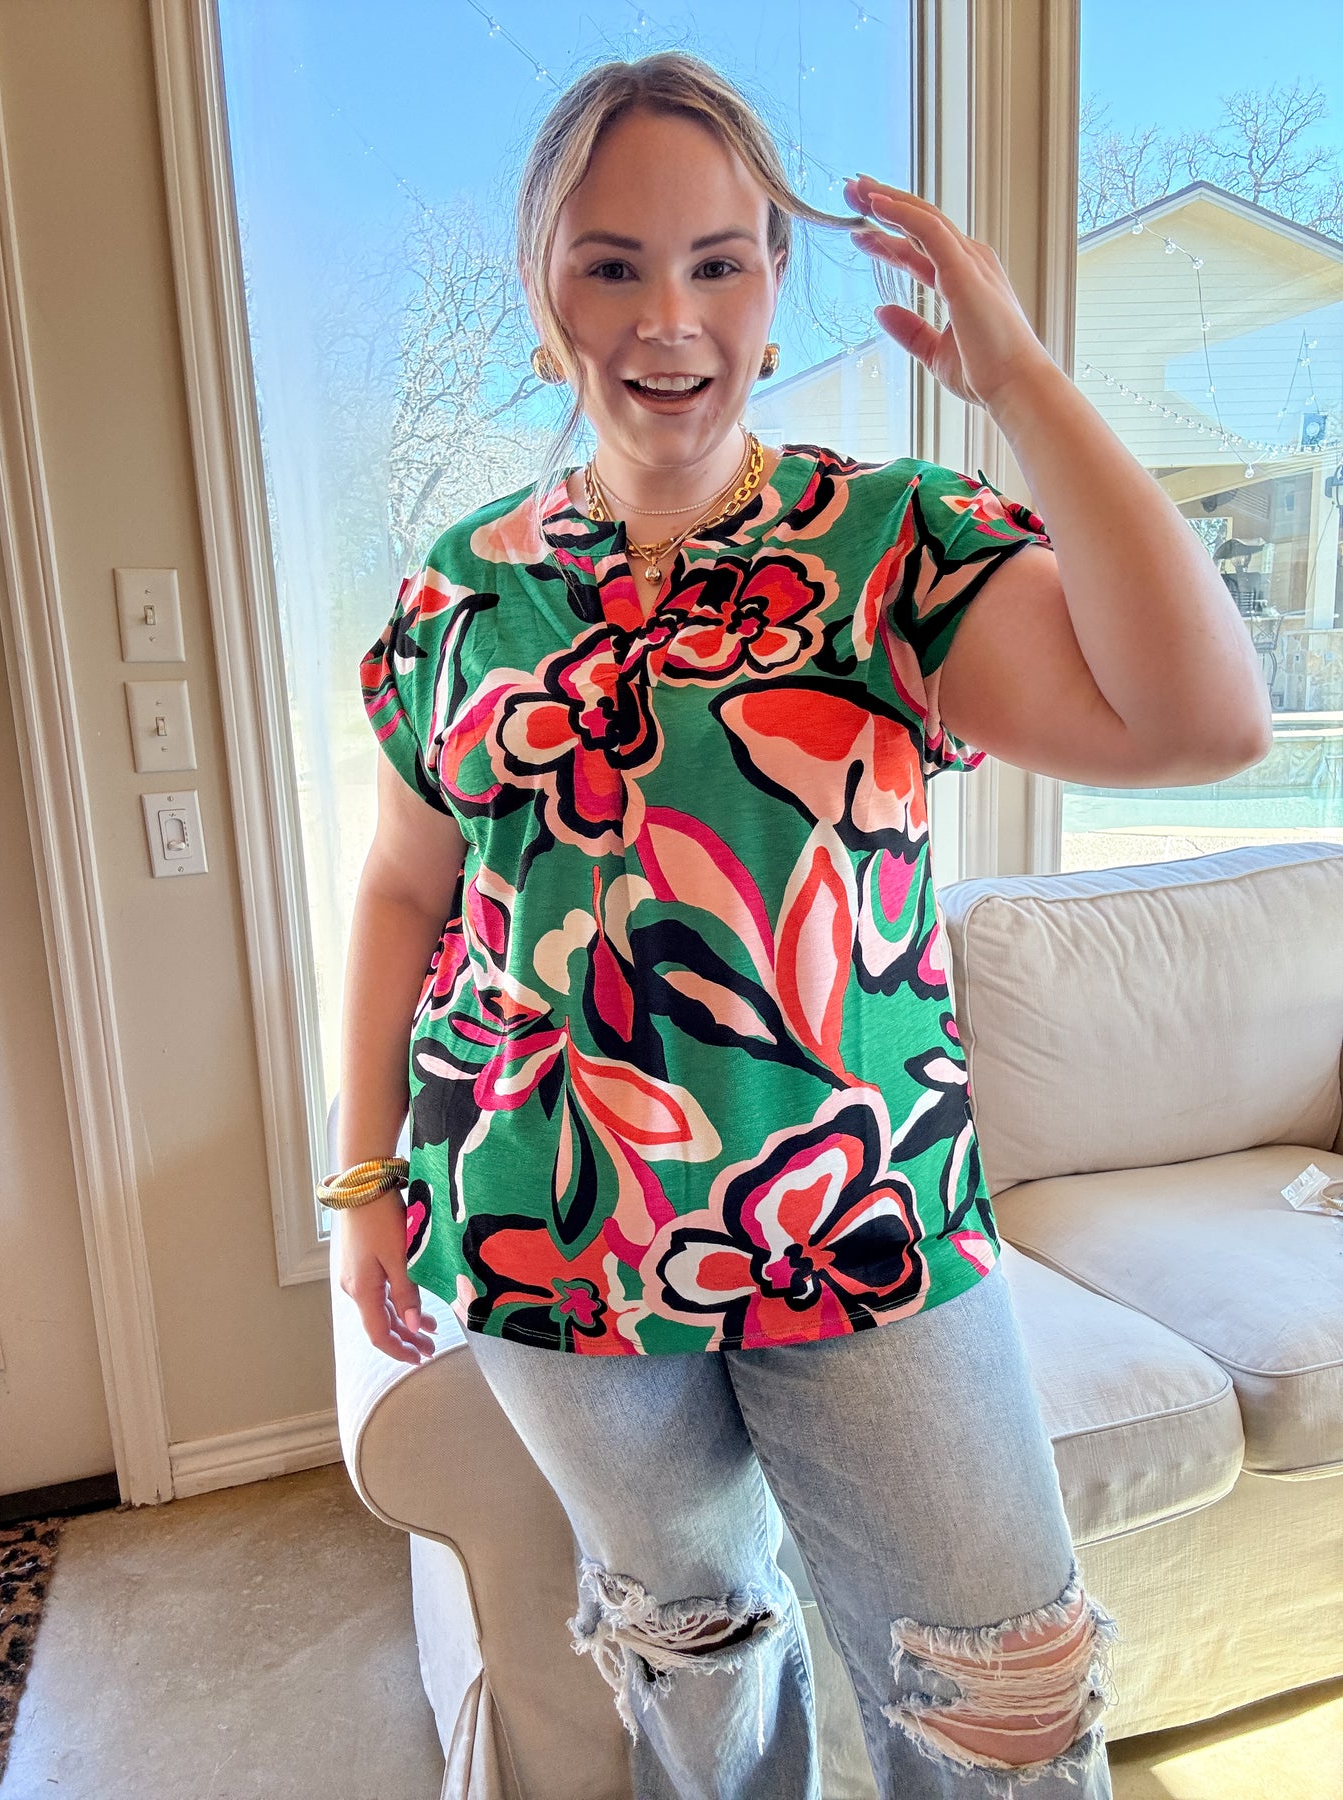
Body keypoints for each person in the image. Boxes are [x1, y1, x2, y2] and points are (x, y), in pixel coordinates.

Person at [331, 49, 1271, 1800]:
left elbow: (1204, 725)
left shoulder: (884, 548)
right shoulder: (455, 594)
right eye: (610, 264)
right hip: (544, 1223)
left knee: (1002, 1685)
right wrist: (365, 1176)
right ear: (542, 295)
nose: (666, 317)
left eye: (716, 261)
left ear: (774, 285)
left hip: (861, 1218)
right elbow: (403, 886)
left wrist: (1020, 380)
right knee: (691, 1638)